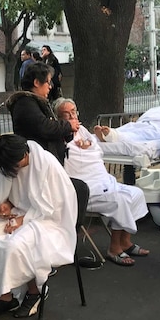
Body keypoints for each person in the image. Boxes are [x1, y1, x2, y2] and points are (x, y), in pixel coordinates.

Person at [0, 135, 76, 320]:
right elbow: (5, 193)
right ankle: (5, 297)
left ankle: (34, 292)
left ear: (22, 156)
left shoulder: (47, 164)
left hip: (48, 222)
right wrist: (6, 204)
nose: (8, 172)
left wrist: (23, 220)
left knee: (12, 246)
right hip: (17, 216)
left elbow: (56, 207)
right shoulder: (10, 163)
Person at [55, 98, 149, 266]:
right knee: (119, 200)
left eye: (74, 111)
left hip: (103, 180)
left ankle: (125, 242)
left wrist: (97, 137)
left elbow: (94, 145)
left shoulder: (82, 130)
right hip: (85, 188)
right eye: (66, 114)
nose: (72, 116)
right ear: (59, 118)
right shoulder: (59, 136)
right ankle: (114, 248)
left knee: (136, 193)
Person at [7, 62, 79, 164]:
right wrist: (68, 125)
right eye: (48, 82)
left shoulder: (36, 102)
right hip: (38, 164)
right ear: (36, 82)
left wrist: (69, 131)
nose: (50, 87)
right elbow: (44, 127)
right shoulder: (25, 103)